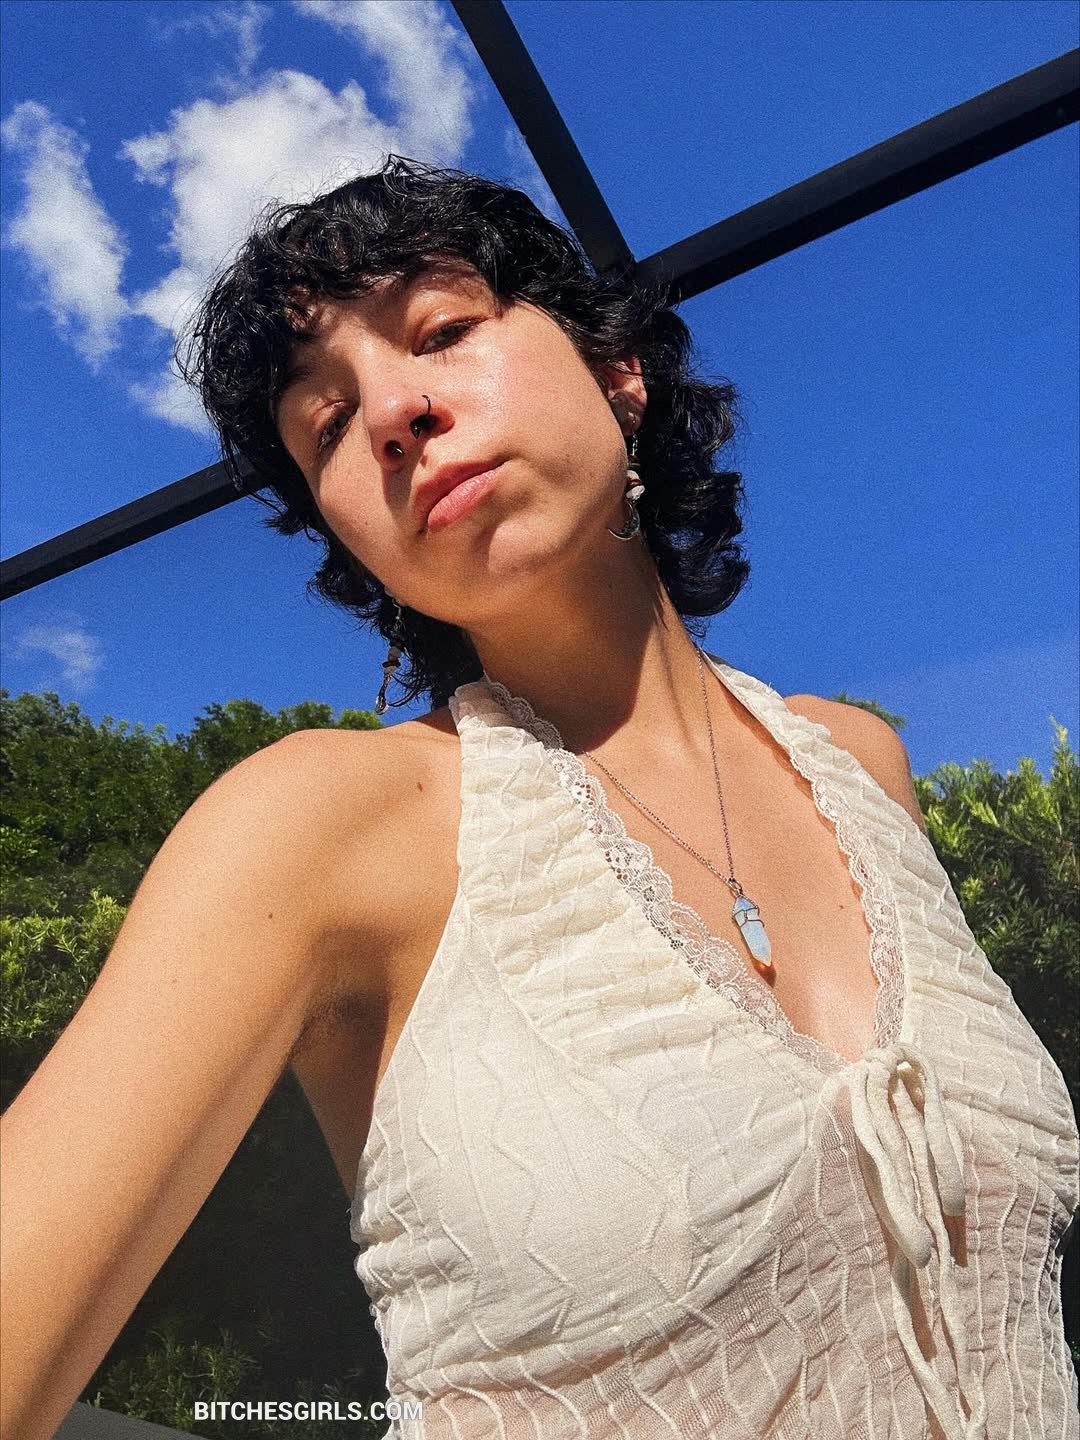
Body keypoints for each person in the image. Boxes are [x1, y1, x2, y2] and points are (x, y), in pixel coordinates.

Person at [1, 155, 1076, 1440]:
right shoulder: (316, 827)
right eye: (327, 426)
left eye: (441, 332)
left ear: (619, 372)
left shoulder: (863, 762)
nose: (392, 412)